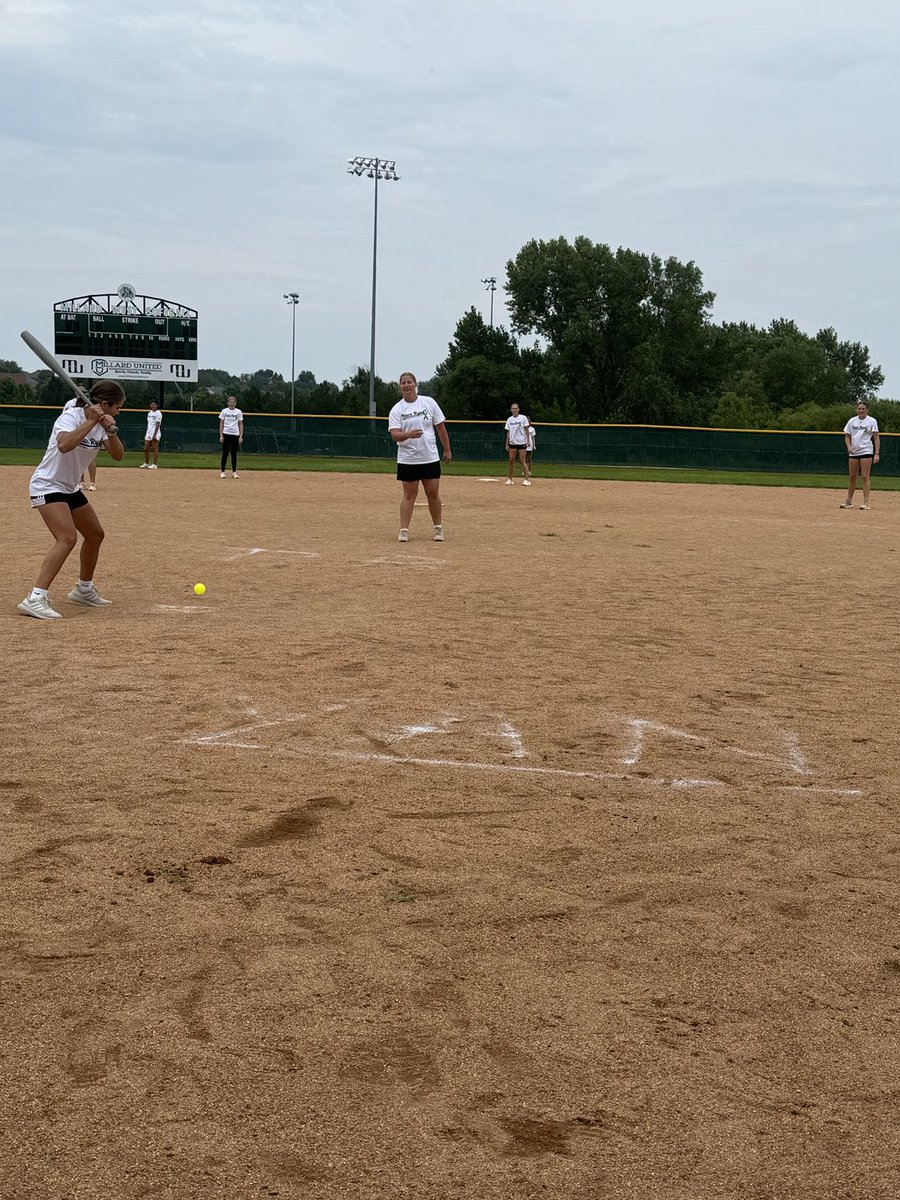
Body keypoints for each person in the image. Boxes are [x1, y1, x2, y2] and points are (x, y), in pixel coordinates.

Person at [18, 381, 125, 620]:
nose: (119, 412)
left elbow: (118, 455)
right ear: (104, 404)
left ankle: (83, 590)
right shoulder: (71, 415)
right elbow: (64, 445)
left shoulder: (101, 426)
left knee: (96, 534)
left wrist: (108, 428)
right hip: (47, 484)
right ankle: (35, 598)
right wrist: (91, 421)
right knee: (67, 538)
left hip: (68, 488)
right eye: (117, 407)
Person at [388, 372, 452, 542]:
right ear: (400, 386)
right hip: (408, 459)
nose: (406, 385)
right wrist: (408, 434)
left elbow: (440, 427)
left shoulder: (428, 403)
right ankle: (403, 530)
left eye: (409, 382)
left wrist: (447, 449)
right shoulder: (397, 409)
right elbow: (395, 434)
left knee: (433, 493)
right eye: (403, 382)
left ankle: (438, 528)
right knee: (409, 494)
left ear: (415, 384)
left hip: (429, 456)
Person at [841, 401, 880, 510]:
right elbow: (847, 436)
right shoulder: (852, 421)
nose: (861, 411)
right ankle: (849, 501)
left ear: (867, 410)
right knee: (852, 477)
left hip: (866, 451)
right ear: (856, 409)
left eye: (863, 409)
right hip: (854, 451)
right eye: (859, 409)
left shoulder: (872, 421)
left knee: (865, 476)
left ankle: (866, 502)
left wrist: (876, 453)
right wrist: (848, 446)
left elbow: (876, 437)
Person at [505, 403, 532, 485]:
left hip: (521, 442)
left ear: (518, 409)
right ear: (511, 410)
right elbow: (508, 432)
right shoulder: (509, 419)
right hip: (512, 442)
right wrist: (507, 443)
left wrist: (527, 441)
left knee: (522, 461)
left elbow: (526, 430)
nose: (514, 410)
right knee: (511, 460)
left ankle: (527, 480)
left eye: (516, 408)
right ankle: (510, 479)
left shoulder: (523, 418)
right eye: (513, 408)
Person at [219, 396, 244, 477]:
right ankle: (222, 472)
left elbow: (240, 424)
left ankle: (234, 472)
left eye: (233, 402)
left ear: (235, 403)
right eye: (230, 402)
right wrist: (221, 435)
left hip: (235, 434)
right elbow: (221, 423)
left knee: (234, 454)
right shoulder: (224, 411)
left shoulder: (238, 412)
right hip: (226, 433)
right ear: (228, 403)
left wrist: (241, 436)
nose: (232, 403)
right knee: (225, 453)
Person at [139, 400, 163, 468]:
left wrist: (155, 435)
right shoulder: (149, 413)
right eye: (151, 404)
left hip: (155, 432)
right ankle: (146, 463)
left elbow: (157, 424)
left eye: (154, 404)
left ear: (157, 405)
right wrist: (147, 432)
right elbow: (148, 424)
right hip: (149, 433)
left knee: (154, 448)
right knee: (146, 449)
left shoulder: (158, 413)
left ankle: (154, 464)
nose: (152, 405)